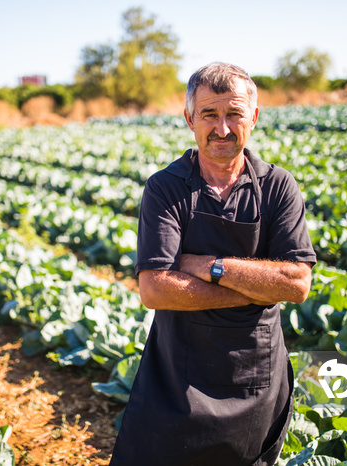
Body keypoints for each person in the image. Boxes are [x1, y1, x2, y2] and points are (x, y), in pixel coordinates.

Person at [109, 62, 317, 466]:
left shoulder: (277, 187)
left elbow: (295, 284)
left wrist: (211, 266)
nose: (222, 128)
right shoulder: (166, 188)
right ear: (190, 119)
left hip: (254, 373)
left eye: (234, 113)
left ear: (253, 118)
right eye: (209, 114)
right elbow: (155, 289)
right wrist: (255, 289)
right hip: (180, 376)